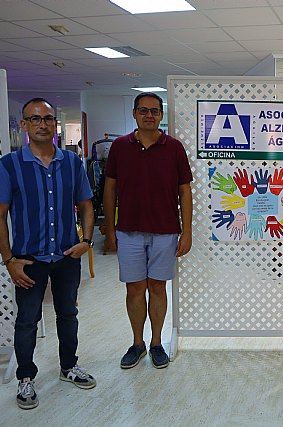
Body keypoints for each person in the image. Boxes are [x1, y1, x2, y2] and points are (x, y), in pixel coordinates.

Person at [0, 98, 96, 410]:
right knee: (27, 320)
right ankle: (26, 378)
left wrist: (87, 239)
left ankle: (68, 367)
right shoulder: (10, 165)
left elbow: (87, 204)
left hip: (66, 255)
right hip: (28, 260)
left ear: (55, 124)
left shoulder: (72, 162)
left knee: (68, 314)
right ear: (23, 125)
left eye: (48, 119)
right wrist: (9, 259)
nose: (42, 124)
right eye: (35, 119)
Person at [103, 92, 192, 370]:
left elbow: (185, 191)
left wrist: (186, 231)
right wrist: (108, 227)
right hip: (128, 230)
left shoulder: (174, 148)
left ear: (161, 115)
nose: (149, 115)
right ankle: (137, 343)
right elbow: (109, 187)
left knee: (157, 287)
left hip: (165, 230)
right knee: (134, 289)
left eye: (155, 111)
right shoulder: (119, 146)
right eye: (144, 110)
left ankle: (156, 343)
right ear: (134, 113)